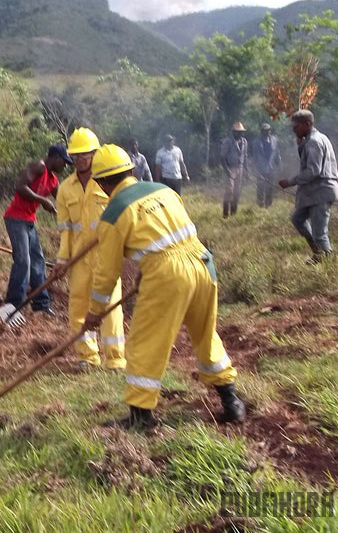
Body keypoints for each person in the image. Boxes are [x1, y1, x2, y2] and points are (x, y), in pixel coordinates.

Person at [83, 144, 245, 429]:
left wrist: (95, 312)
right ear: (131, 171)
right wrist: (145, 273)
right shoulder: (164, 191)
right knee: (205, 335)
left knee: (144, 344)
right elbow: (169, 237)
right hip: (203, 263)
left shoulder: (113, 213)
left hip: (169, 275)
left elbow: (106, 274)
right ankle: (231, 401)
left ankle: (141, 418)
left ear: (103, 183)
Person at [55, 128, 126, 369]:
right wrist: (63, 259)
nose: (80, 160)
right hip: (78, 259)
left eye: (85, 155)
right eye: (75, 156)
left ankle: (115, 358)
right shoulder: (65, 189)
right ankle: (87, 356)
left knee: (109, 305)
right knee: (78, 305)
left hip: (106, 255)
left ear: (95, 154)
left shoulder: (107, 183)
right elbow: (66, 229)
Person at [3, 144, 70, 314]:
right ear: (55, 157)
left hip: (29, 221)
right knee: (23, 261)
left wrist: (65, 212)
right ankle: (13, 306)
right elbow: (20, 186)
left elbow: (63, 201)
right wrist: (43, 200)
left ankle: (41, 305)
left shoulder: (53, 180)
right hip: (16, 218)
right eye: (64, 162)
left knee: (38, 262)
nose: (65, 166)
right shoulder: (39, 166)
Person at [279, 109, 338, 263]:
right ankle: (318, 253)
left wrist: (290, 182)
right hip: (315, 192)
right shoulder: (312, 139)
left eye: (296, 127)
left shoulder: (314, 141)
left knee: (320, 233)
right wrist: (301, 145)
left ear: (307, 124)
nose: (294, 130)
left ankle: (327, 263)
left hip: (322, 192)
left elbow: (313, 170)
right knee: (298, 219)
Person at [220, 122, 249, 218]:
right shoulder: (227, 142)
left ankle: (233, 212)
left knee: (237, 191)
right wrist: (227, 171)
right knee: (229, 191)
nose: (239, 134)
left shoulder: (244, 142)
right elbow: (223, 157)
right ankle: (225, 213)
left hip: (239, 168)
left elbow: (245, 157)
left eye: (241, 132)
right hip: (230, 168)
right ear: (233, 132)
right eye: (237, 132)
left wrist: (246, 171)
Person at [250, 123, 281, 208]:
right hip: (260, 167)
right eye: (264, 131)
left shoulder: (274, 140)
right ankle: (260, 204)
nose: (266, 132)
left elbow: (277, 152)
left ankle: (268, 204)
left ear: (270, 131)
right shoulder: (256, 142)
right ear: (261, 131)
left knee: (270, 186)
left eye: (268, 130)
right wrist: (254, 167)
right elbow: (254, 155)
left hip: (271, 166)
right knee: (261, 186)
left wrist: (278, 161)